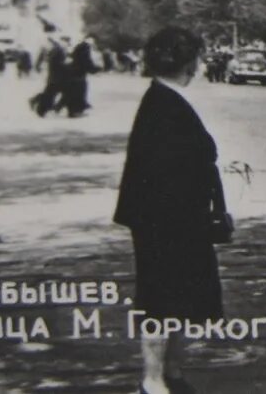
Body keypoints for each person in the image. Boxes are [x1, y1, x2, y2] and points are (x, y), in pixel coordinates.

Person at [115, 26, 223, 394]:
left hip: (174, 219)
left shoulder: (163, 99)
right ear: (184, 61)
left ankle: (171, 372)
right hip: (166, 222)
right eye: (196, 57)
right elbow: (164, 172)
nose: (199, 65)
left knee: (179, 297)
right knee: (160, 298)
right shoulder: (165, 104)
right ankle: (153, 379)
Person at [66, 38, 98, 116]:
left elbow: (73, 56)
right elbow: (86, 61)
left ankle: (72, 111)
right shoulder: (86, 47)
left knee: (73, 92)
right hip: (79, 74)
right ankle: (76, 111)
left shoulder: (78, 47)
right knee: (80, 92)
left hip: (73, 72)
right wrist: (94, 69)